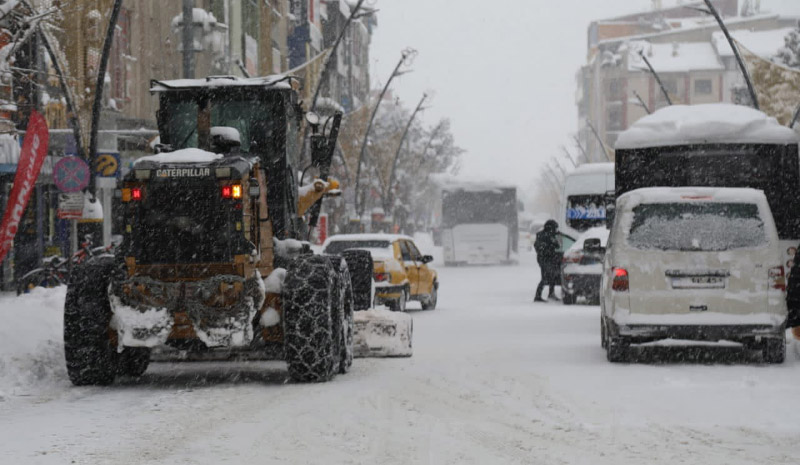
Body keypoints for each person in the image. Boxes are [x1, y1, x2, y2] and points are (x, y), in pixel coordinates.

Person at [534, 219, 561, 302]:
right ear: (551, 228)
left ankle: (551, 293)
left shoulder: (544, 234)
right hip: (545, 260)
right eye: (555, 228)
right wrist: (548, 249)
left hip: (546, 259)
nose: (556, 230)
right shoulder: (546, 235)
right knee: (545, 278)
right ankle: (537, 296)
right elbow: (557, 246)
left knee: (552, 277)